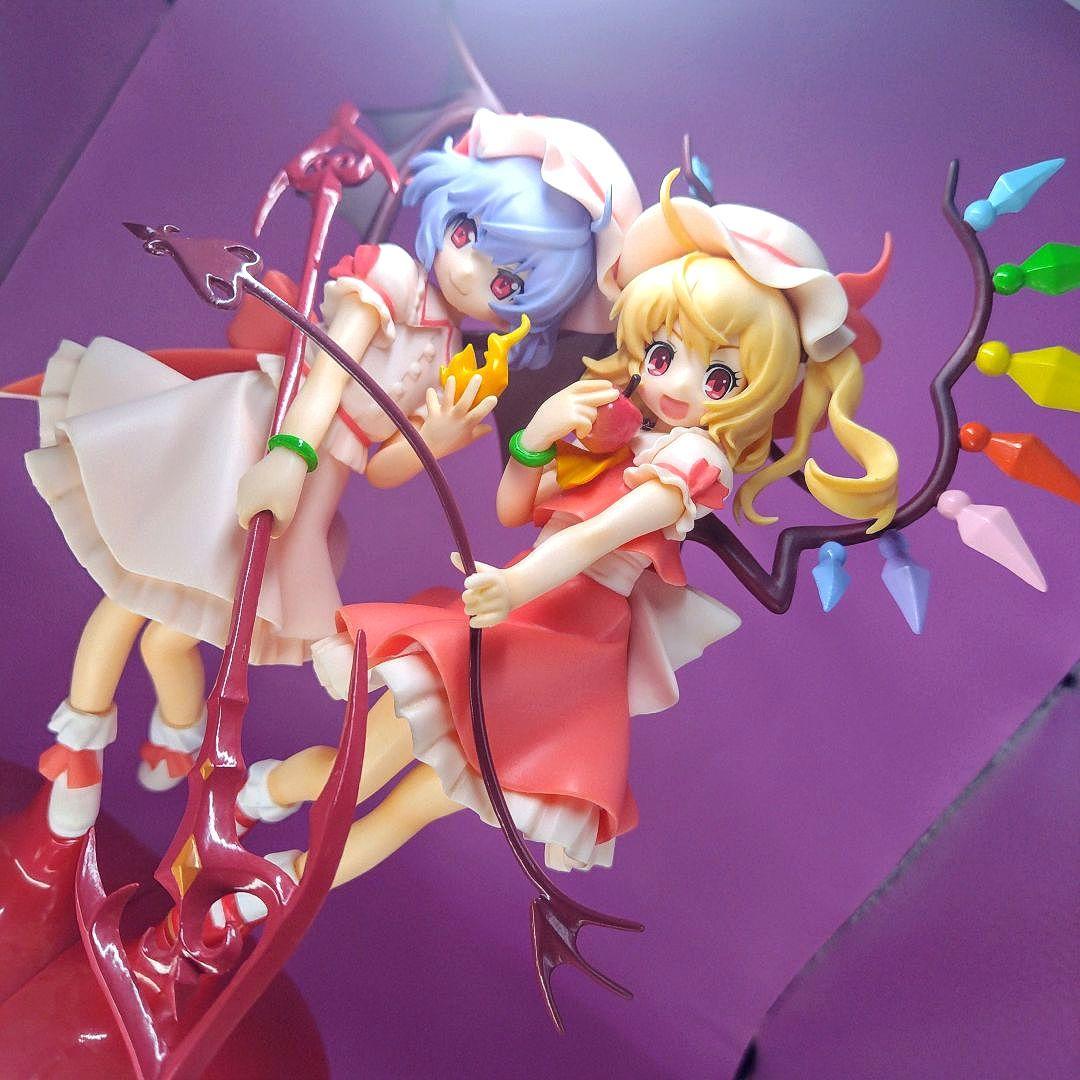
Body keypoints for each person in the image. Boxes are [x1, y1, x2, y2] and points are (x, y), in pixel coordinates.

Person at [228, 171, 899, 903]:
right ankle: (261, 800)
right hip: (521, 619)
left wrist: (517, 583)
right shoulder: (623, 432)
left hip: (561, 645)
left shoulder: (698, 460)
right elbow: (518, 508)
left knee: (408, 803)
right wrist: (536, 439)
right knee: (364, 767)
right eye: (664, 356)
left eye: (720, 379)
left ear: (759, 393)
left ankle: (271, 885)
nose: (677, 385)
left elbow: (600, 537)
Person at [10, 109, 641, 839]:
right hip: (256, 438)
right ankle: (79, 748)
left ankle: (179, 731)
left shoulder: (449, 357)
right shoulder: (393, 277)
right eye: (467, 233)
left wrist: (433, 440)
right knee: (137, 588)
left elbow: (380, 468)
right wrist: (289, 455)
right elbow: (329, 378)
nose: (468, 270)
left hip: (317, 484)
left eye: (507, 281)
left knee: (180, 628)